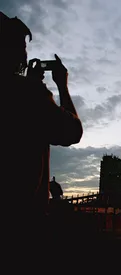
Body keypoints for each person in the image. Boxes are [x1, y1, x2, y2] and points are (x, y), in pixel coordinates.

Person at [0, 11, 83, 257]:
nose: (25, 54)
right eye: (21, 47)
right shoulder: (27, 94)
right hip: (20, 227)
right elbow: (72, 131)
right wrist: (61, 86)